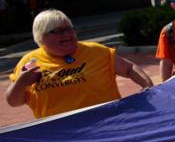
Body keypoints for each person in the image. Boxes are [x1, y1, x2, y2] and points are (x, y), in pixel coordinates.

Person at [6, 9, 153, 119]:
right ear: (41, 36)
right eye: (57, 31)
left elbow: (129, 69)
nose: (67, 35)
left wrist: (148, 88)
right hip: (60, 134)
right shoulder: (29, 61)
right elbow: (14, 102)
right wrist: (21, 82)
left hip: (108, 123)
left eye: (69, 29)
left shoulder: (96, 51)